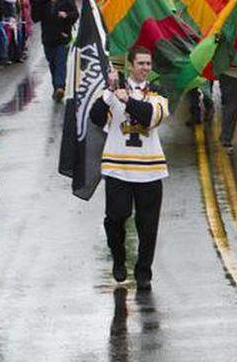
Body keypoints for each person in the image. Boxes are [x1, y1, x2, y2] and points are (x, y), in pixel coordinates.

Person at [89, 47, 169, 291]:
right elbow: (95, 118)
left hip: (150, 169)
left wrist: (128, 100)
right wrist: (108, 92)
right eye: (141, 63)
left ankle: (143, 271)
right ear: (130, 65)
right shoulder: (114, 91)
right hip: (117, 167)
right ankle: (119, 258)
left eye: (148, 63)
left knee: (148, 224)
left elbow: (150, 117)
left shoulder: (157, 92)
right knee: (115, 217)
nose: (145, 68)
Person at [33, 0, 78, 101]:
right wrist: (35, 3)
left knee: (60, 62)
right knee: (52, 64)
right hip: (48, 38)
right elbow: (35, 18)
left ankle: (60, 87)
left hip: (63, 37)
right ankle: (56, 89)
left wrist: (67, 15)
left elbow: (75, 14)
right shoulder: (44, 1)